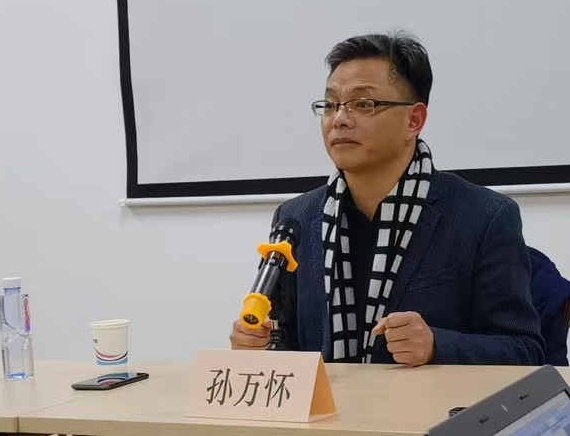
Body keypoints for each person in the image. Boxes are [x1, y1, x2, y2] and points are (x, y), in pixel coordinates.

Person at [230, 32, 545, 366]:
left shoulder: (483, 216)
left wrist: (437, 346)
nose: (339, 119)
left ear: (414, 120)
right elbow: (286, 338)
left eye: (363, 104)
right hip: (330, 400)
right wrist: (259, 348)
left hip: (428, 401)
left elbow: (524, 350)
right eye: (330, 105)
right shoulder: (296, 218)